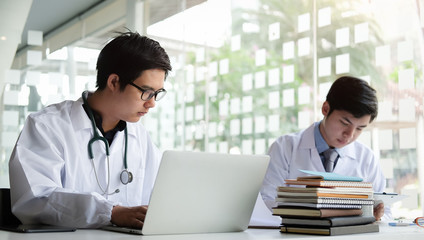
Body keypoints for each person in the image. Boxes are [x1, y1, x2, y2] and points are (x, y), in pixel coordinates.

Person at [8, 31, 172, 229]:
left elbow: (159, 199)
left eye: (157, 93)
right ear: (113, 82)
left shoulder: (139, 137)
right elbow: (35, 200)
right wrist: (110, 212)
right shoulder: (46, 126)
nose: (152, 103)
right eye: (146, 92)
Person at [260, 76, 390, 221]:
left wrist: (377, 216)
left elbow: (385, 211)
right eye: (344, 123)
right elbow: (267, 202)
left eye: (360, 128)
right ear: (326, 109)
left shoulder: (367, 158)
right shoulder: (284, 148)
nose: (349, 135)